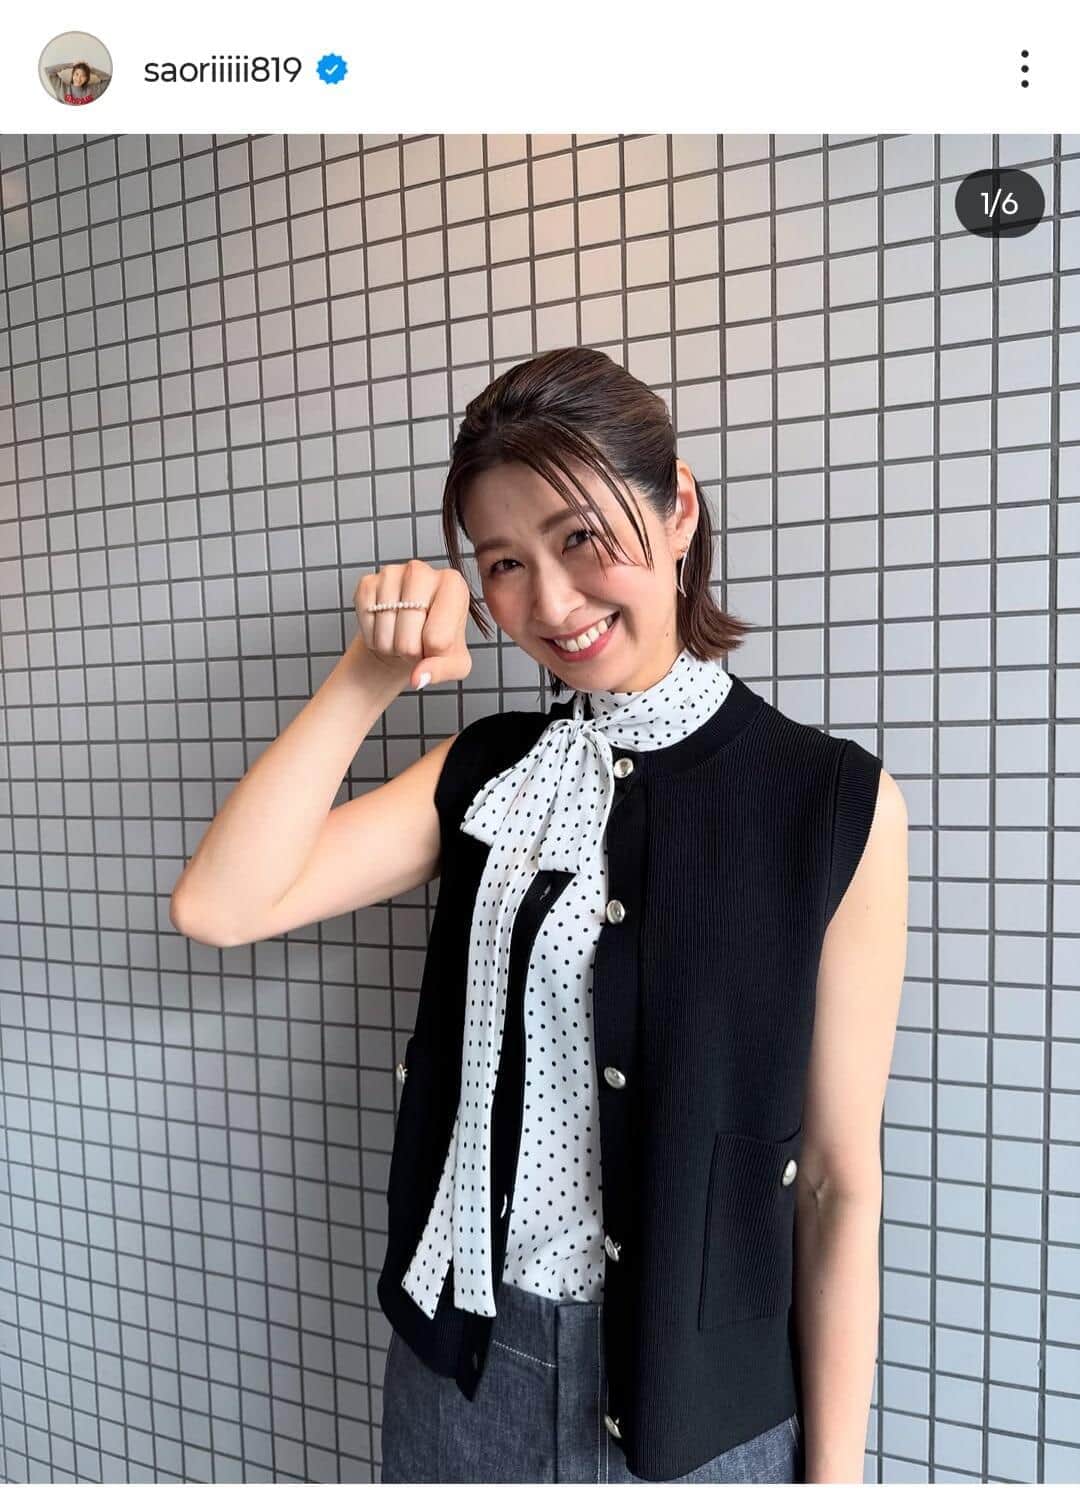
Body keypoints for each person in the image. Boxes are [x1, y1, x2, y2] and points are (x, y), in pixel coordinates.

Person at [171, 345, 909, 1483]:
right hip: (466, 1377)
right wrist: (371, 673)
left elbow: (835, 1181)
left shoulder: (828, 802)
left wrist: (839, 1475)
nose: (552, 604)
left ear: (678, 510)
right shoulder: (490, 770)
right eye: (505, 563)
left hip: (702, 1414)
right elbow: (221, 904)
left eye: (580, 537)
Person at [43, 59, 111, 105]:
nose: (78, 78)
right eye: (77, 74)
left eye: (83, 75)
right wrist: (72, 64)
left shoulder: (93, 90)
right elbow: (48, 71)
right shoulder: (61, 88)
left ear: (87, 78)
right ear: (73, 74)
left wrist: (90, 69)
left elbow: (108, 79)